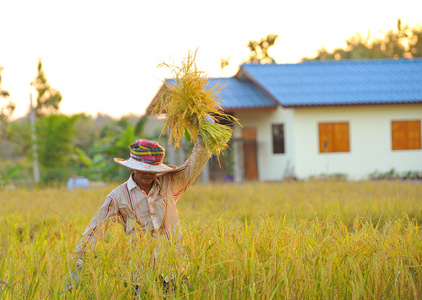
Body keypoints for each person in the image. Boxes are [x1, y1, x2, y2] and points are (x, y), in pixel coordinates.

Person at [62, 123, 212, 296]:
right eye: (142, 169)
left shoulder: (168, 183)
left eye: (152, 170)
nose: (147, 174)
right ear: (133, 167)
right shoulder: (117, 197)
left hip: (173, 268)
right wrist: (78, 261)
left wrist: (204, 138)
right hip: (138, 274)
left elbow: (192, 167)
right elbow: (94, 230)